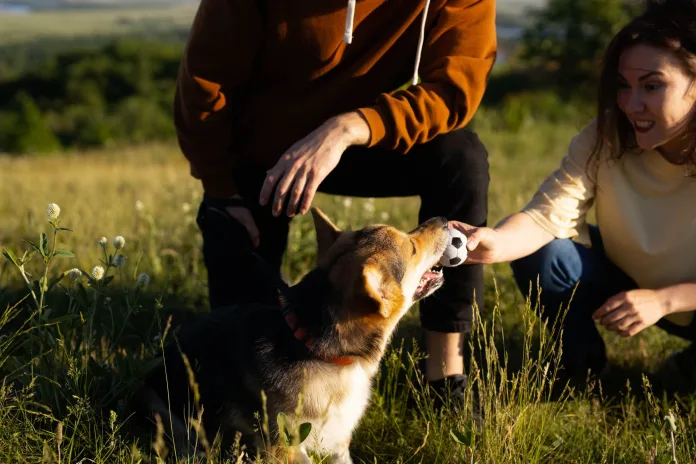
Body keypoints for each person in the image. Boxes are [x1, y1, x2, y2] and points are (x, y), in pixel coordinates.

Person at [173, 0, 497, 405]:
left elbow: (454, 88)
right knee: (237, 345)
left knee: (460, 157)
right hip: (263, 147)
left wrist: (349, 128)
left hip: (363, 133)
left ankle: (444, 378)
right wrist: (222, 188)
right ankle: (264, 387)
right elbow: (206, 79)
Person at [452, 0, 696, 392]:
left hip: (685, 301)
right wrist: (495, 244)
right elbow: (544, 215)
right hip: (629, 277)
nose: (632, 105)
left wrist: (665, 300)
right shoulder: (605, 136)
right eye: (623, 85)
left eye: (652, 86)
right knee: (543, 251)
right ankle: (582, 369)